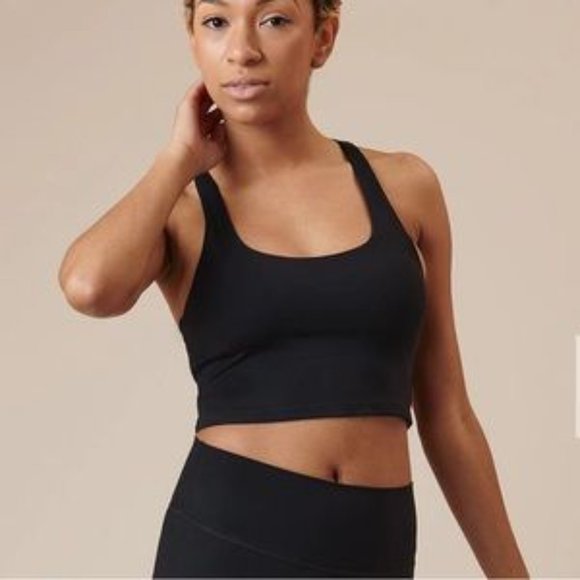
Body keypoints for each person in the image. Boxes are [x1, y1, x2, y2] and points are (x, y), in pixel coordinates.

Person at [58, 0, 530, 577]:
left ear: (323, 38)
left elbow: (448, 413)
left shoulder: (406, 188)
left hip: (374, 550)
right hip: (228, 545)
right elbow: (90, 288)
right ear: (193, 41)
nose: (242, 50)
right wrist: (177, 158)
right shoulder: (183, 210)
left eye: (274, 20)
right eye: (216, 22)